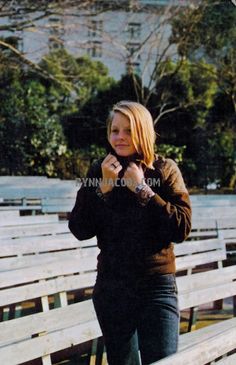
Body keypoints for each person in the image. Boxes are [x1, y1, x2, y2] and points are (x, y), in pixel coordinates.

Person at [69, 101, 192, 365]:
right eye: (115, 130)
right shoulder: (98, 171)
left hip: (156, 286)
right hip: (113, 287)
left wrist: (143, 190)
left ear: (143, 131)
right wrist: (103, 189)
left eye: (128, 130)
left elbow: (181, 227)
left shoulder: (165, 170)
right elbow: (79, 229)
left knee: (163, 361)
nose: (120, 137)